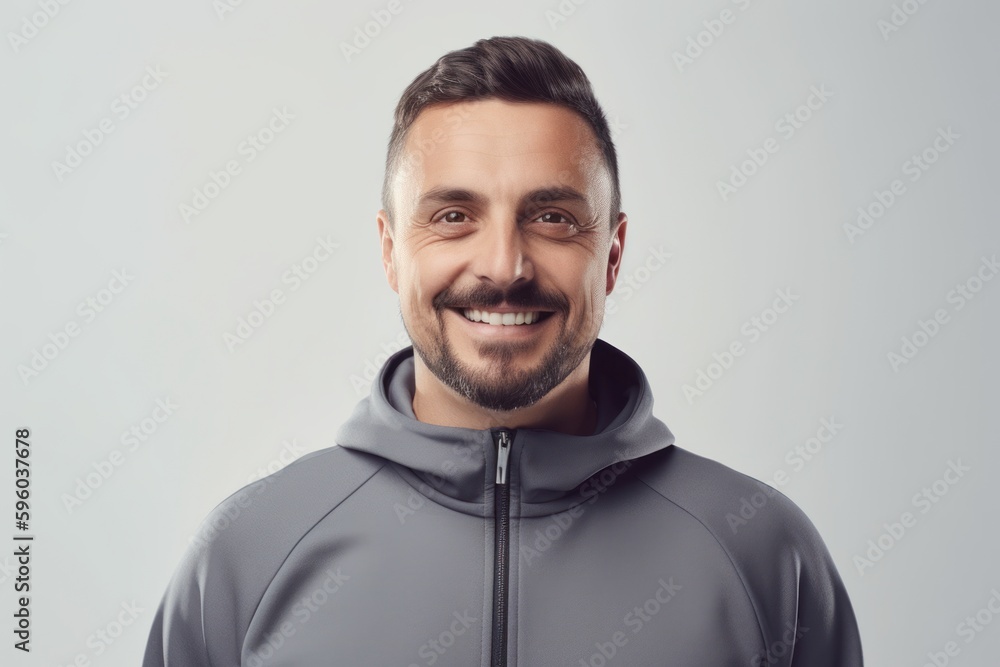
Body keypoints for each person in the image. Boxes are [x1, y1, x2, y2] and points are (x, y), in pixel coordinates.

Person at [143, 36, 863, 666]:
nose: (503, 264)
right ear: (392, 251)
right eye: (453, 216)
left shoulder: (763, 554)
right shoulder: (249, 553)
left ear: (611, 254)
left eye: (551, 217)